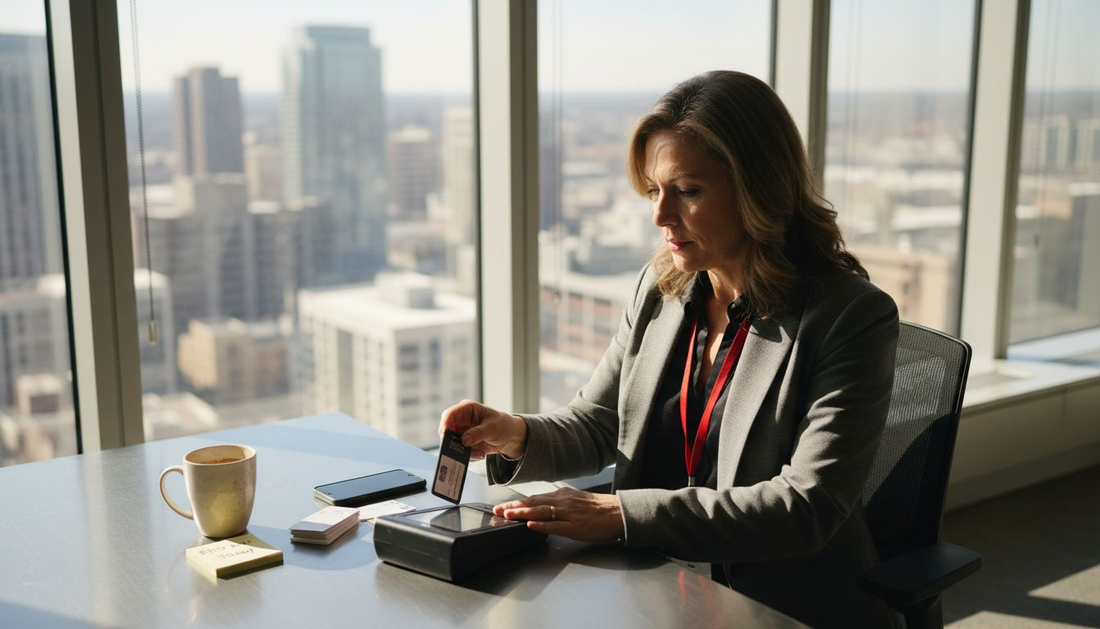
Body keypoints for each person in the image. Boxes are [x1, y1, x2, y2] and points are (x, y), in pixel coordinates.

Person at [439, 70, 900, 628]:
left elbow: (807, 507)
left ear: (758, 188)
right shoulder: (662, 288)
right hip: (654, 584)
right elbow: (602, 421)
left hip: (779, 604)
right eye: (655, 191)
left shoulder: (850, 317)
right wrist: (517, 434)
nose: (660, 216)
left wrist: (621, 514)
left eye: (688, 191)